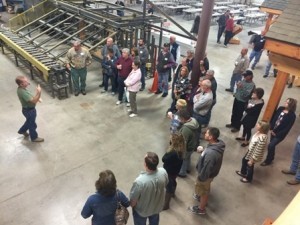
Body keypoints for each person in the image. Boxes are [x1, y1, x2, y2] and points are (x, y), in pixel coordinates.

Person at [188, 127, 225, 215]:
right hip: (210, 173)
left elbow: (207, 168)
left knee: (204, 191)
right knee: (203, 189)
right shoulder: (216, 145)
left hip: (205, 176)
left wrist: (201, 178)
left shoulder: (211, 153)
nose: (205, 134)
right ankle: (199, 195)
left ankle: (201, 208)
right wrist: (204, 151)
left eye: (207, 134)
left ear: (211, 137)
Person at [130, 152, 168, 225]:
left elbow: (133, 201)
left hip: (142, 211)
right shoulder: (163, 172)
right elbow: (165, 185)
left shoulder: (139, 182)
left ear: (145, 165)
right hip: (156, 207)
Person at [261, 98, 297, 166]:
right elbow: (274, 118)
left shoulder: (292, 116)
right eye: (285, 101)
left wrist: (277, 133)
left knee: (271, 145)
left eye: (287, 102)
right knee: (272, 145)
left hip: (280, 135)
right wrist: (271, 128)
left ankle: (268, 160)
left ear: (291, 105)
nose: (285, 103)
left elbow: (287, 128)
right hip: (273, 130)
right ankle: (271, 158)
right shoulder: (280, 108)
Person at [15, 76, 44, 142]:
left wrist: (37, 97)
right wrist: (39, 92)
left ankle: (22, 131)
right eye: (25, 82)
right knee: (32, 124)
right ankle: (34, 138)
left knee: (29, 122)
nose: (28, 82)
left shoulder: (22, 88)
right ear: (21, 84)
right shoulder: (22, 92)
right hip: (29, 111)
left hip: (28, 110)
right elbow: (33, 101)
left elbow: (31, 97)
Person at [162, 132, 185, 210]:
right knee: (173, 181)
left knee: (168, 186)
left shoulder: (172, 153)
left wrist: (169, 149)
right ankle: (173, 193)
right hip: (176, 171)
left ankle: (166, 205)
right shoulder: (181, 150)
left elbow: (163, 159)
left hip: (169, 171)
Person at [177, 109, 199, 177]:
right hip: (193, 144)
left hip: (187, 147)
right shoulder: (193, 120)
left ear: (183, 118)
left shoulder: (185, 129)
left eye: (179, 118)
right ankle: (188, 168)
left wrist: (180, 151)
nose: (178, 120)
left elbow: (183, 142)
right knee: (188, 157)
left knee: (184, 159)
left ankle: (182, 172)